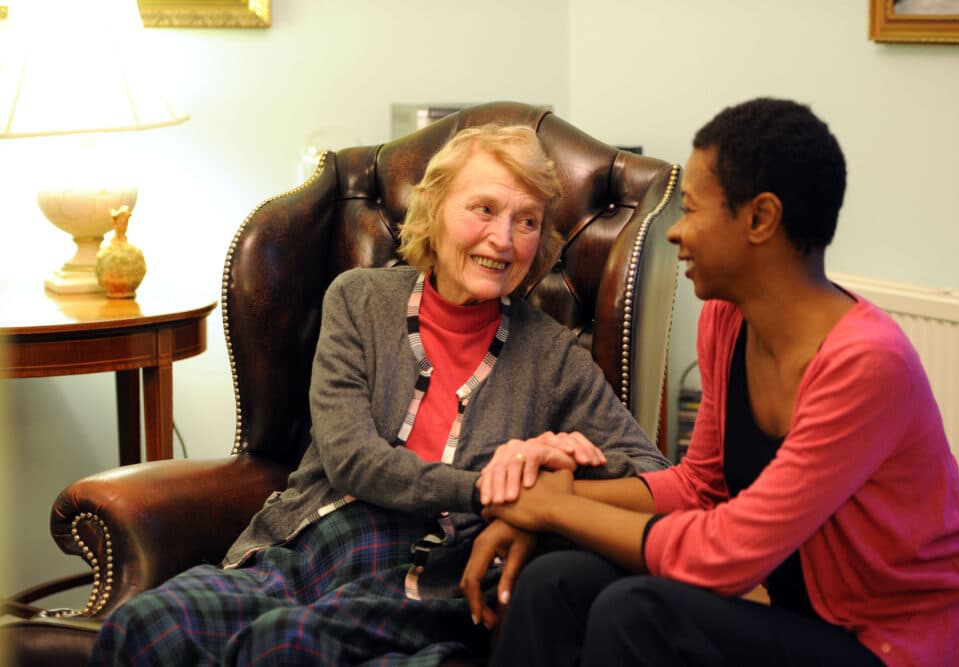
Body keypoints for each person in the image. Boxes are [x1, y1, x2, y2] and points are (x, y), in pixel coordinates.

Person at [89, 124, 669, 666]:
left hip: (428, 574)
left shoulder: (553, 355)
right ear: (436, 210)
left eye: (527, 221)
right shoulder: (359, 300)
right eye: (484, 209)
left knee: (284, 646)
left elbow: (655, 473)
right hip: (312, 544)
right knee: (142, 627)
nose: (504, 239)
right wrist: (490, 492)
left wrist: (559, 466)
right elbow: (350, 458)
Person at [463, 99, 959, 667]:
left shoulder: (867, 363)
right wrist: (539, 502)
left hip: (899, 649)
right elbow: (700, 487)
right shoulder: (728, 318)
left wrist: (555, 510)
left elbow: (726, 553)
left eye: (692, 210)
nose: (677, 233)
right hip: (803, 616)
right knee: (557, 580)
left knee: (637, 614)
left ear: (760, 219)